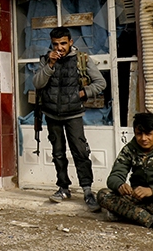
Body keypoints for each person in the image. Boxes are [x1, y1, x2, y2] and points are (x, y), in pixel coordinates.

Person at [33, 27, 106, 211]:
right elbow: (37, 83)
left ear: (70, 42)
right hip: (52, 114)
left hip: (73, 114)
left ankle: (87, 190)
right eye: (56, 44)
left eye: (63, 43)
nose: (59, 48)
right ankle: (63, 188)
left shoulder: (82, 59)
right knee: (58, 153)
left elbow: (100, 83)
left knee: (80, 152)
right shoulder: (46, 60)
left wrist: (82, 93)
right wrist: (50, 65)